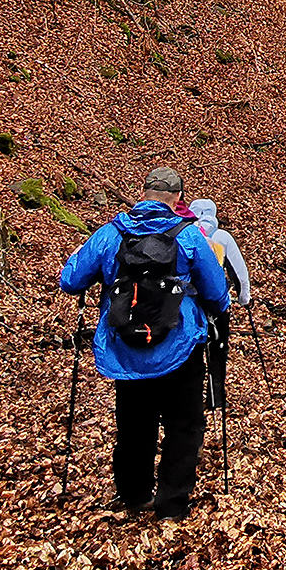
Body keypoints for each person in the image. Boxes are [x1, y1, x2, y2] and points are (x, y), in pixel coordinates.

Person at [58, 174, 230, 520]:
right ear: (178, 197)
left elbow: (71, 280)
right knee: (185, 425)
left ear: (141, 193)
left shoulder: (111, 234)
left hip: (128, 349)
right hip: (180, 346)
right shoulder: (189, 237)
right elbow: (216, 293)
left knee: (135, 424)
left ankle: (135, 494)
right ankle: (172, 503)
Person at [188, 198, 251, 412]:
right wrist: (244, 298)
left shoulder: (185, 234)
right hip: (217, 303)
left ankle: (191, 397)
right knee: (217, 350)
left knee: (191, 350)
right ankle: (216, 398)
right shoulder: (222, 237)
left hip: (188, 303)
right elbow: (239, 273)